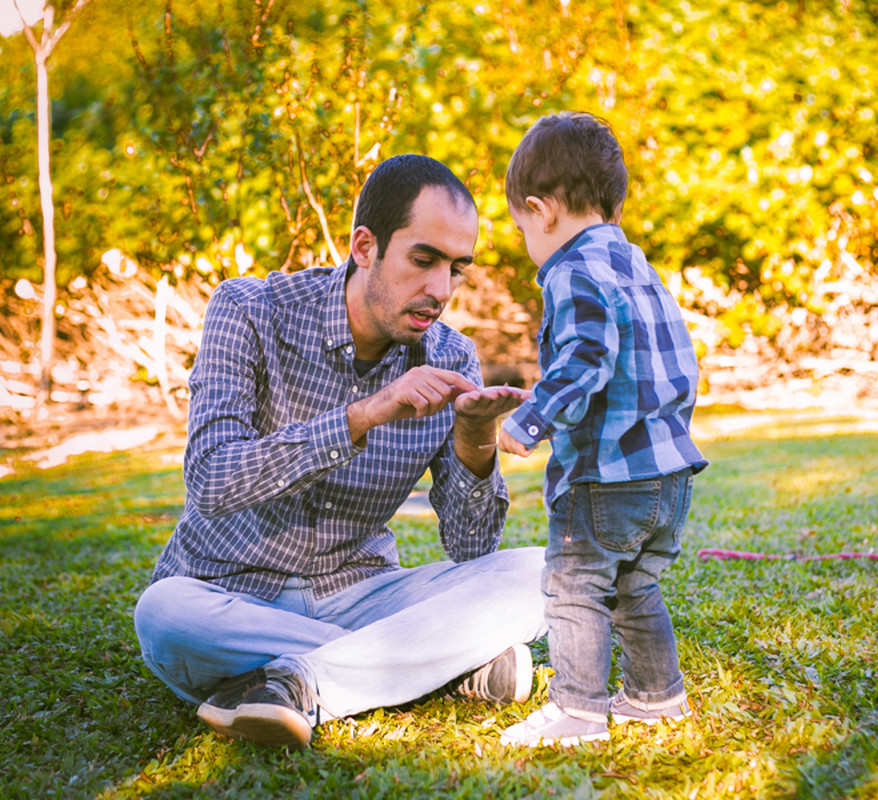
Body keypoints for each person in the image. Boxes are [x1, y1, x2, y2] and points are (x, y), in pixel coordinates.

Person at [133, 154, 548, 750]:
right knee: (163, 614)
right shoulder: (249, 310)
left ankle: (299, 680)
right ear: (364, 246)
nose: (440, 290)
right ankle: (438, 667)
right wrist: (364, 415)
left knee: (545, 571)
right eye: (424, 260)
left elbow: (471, 548)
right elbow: (212, 478)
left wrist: (476, 440)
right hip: (228, 596)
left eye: (457, 269)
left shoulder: (452, 357)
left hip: (362, 593)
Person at [495, 111, 708, 747]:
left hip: (606, 474)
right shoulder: (636, 265)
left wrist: (532, 418)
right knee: (634, 585)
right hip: (668, 471)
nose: (526, 241)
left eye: (520, 228)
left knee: (573, 586)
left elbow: (587, 357)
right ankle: (656, 697)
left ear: (542, 212)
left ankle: (578, 710)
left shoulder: (572, 270)